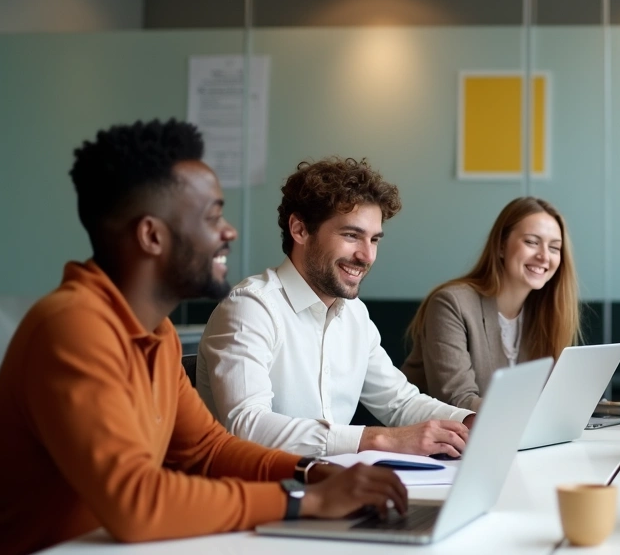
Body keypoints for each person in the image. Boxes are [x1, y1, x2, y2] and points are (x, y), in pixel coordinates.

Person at [0, 122, 407, 555]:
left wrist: (310, 472)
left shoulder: (155, 332)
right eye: (211, 217)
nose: (229, 232)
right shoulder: (72, 327)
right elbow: (136, 502)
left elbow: (208, 449)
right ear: (152, 236)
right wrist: (305, 500)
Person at [198, 157, 474, 458]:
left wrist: (471, 423)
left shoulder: (354, 314)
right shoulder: (251, 307)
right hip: (257, 495)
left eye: (374, 239)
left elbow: (400, 403)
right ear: (300, 230)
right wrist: (378, 440)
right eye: (351, 235)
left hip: (330, 489)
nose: (367, 255)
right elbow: (246, 425)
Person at [401, 197, 580, 411]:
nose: (544, 256)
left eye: (554, 247)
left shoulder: (545, 315)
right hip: (437, 440)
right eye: (532, 242)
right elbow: (457, 402)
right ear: (501, 246)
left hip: (512, 440)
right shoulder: (451, 304)